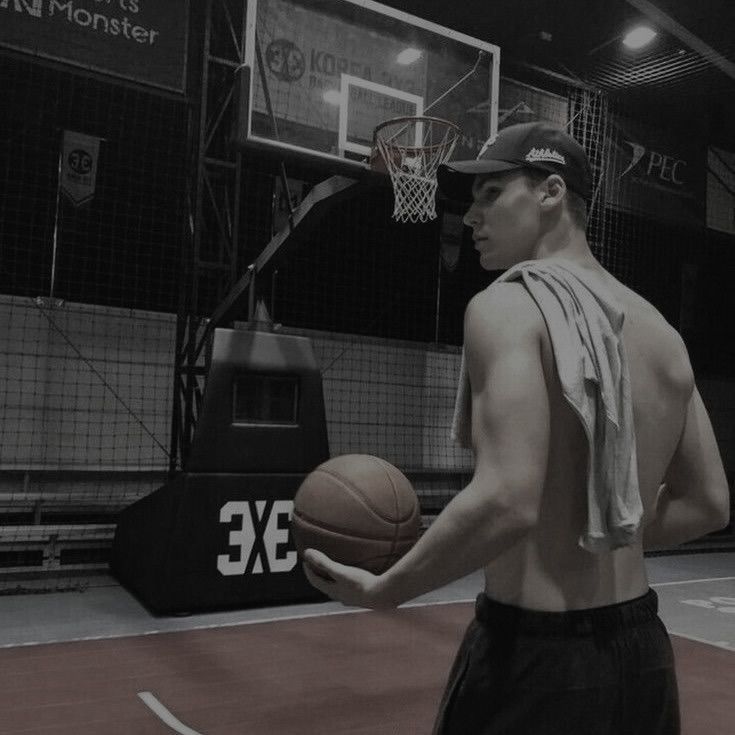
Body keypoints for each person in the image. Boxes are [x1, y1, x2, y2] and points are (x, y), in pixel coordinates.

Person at [302, 121, 730, 734]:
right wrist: (605, 531)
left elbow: (507, 499)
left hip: (538, 662)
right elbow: (709, 503)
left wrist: (389, 588)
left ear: (552, 192)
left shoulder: (507, 305)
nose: (471, 216)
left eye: (491, 194)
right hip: (643, 660)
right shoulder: (663, 335)